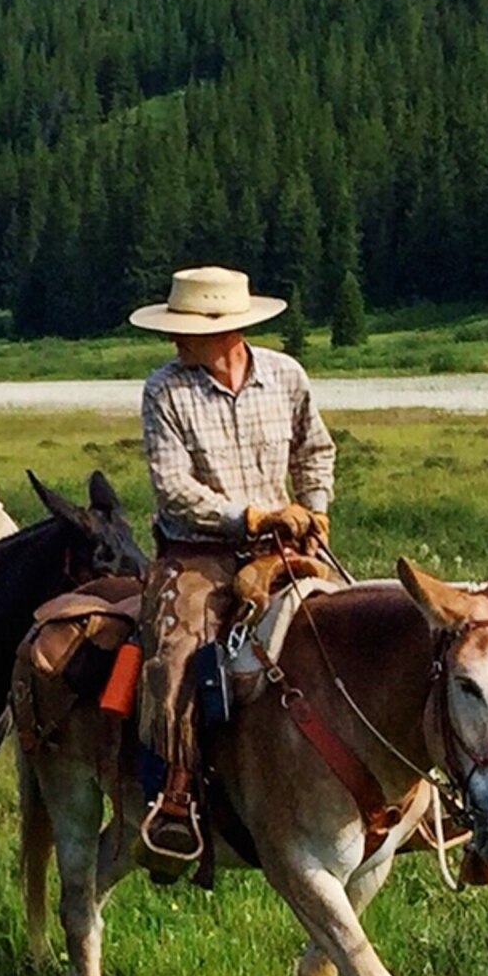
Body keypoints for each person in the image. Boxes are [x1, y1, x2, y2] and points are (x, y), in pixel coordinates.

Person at [127, 265, 336, 858]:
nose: (174, 340)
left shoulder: (286, 376)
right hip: (199, 555)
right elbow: (173, 489)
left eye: (184, 328)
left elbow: (315, 448)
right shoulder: (164, 389)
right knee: (175, 660)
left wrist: (314, 511)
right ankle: (175, 795)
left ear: (226, 331)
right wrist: (253, 517)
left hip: (286, 549)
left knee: (365, 627)